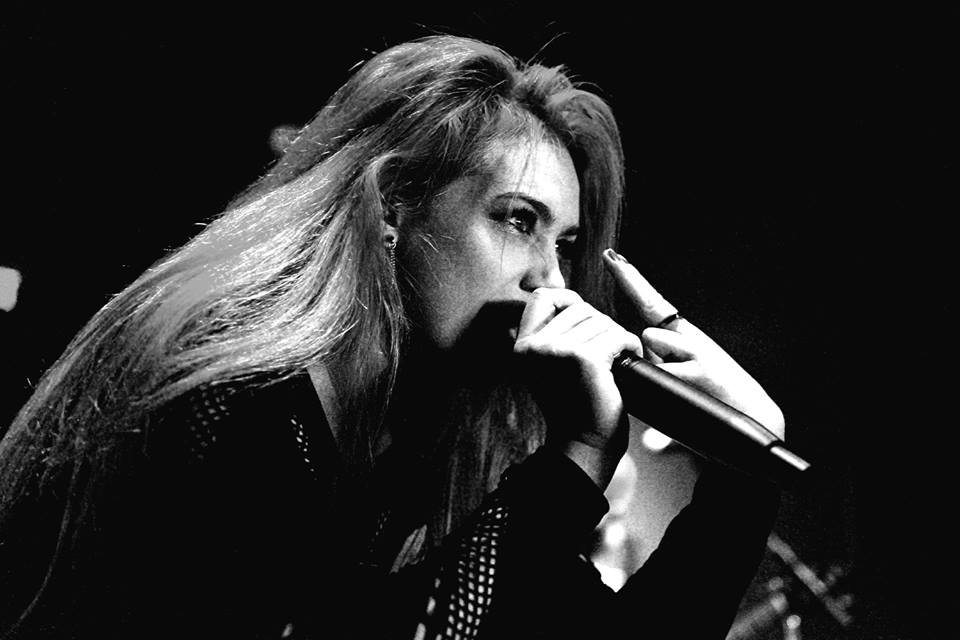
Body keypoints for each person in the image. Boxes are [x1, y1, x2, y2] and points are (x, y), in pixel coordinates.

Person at [0, 35, 784, 638]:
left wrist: (743, 485)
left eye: (568, 246)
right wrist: (575, 459)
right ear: (393, 205)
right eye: (519, 221)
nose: (551, 281)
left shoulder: (415, 450)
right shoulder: (231, 397)